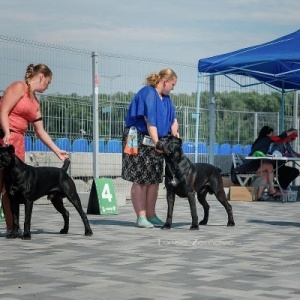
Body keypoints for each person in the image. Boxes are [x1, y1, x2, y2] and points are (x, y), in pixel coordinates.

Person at [0, 63, 69, 238]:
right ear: (41, 77)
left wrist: (56, 150)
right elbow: (3, 111)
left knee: (10, 188)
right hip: (4, 136)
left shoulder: (35, 102)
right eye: (48, 82)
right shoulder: (18, 87)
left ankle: (12, 228)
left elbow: (40, 131)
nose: (48, 86)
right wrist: (7, 131)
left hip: (18, 145)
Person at [122, 68, 179, 228]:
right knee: (140, 179)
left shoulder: (166, 99)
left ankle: (151, 214)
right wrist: (158, 143)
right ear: (165, 81)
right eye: (172, 84)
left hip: (155, 141)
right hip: (139, 139)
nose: (173, 88)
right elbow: (150, 122)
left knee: (154, 179)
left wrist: (175, 131)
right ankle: (141, 216)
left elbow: (173, 119)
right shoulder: (148, 93)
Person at [234, 126, 298, 201]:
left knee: (266, 174)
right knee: (269, 167)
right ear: (268, 134)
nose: (273, 134)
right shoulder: (266, 139)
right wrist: (293, 130)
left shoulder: (260, 140)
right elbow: (280, 137)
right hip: (250, 165)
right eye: (272, 133)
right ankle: (272, 190)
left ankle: (259, 196)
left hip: (254, 163)